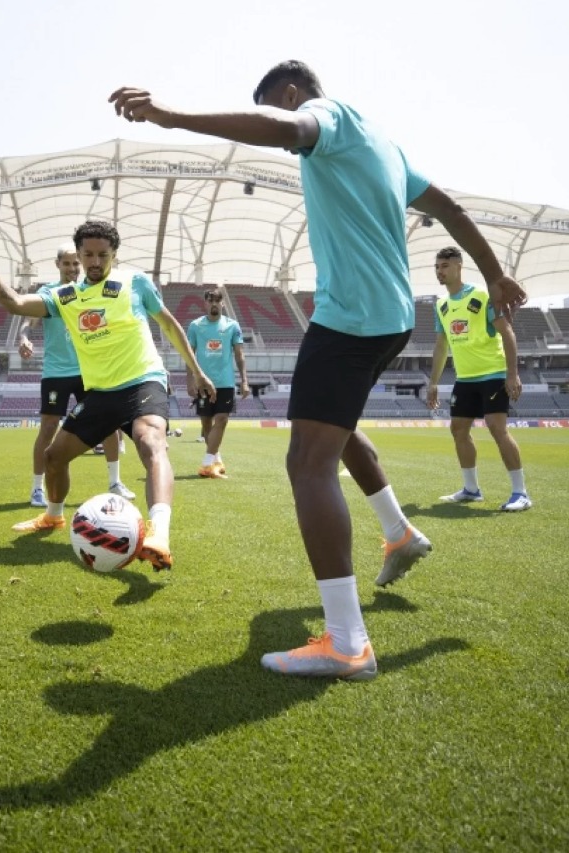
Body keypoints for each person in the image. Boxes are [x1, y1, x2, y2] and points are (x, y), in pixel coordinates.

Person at [109, 61, 526, 678]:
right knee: (335, 426)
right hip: (390, 316)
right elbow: (453, 209)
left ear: (293, 92)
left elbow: (282, 127)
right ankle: (398, 532)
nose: (287, 121)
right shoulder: (385, 143)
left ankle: (347, 643)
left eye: (280, 105)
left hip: (351, 318)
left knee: (307, 461)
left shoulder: (330, 117)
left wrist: (169, 115)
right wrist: (495, 274)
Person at [0, 219, 217, 572]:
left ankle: (159, 534)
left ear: (114, 254)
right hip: (100, 392)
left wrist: (197, 370)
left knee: (151, 444)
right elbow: (15, 303)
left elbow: (168, 323)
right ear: (80, 255)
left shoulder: (135, 282)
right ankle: (53, 516)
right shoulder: (65, 296)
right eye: (88, 255)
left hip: (142, 380)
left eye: (103, 254)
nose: (95, 261)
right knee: (55, 457)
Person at [18, 247, 135, 507]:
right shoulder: (48, 293)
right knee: (48, 428)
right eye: (67, 263)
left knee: (108, 423)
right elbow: (29, 320)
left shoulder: (90, 289)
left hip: (90, 371)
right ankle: (37, 489)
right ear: (57, 264)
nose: (72, 268)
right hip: (56, 372)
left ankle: (115, 482)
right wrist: (24, 337)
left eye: (75, 263)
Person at [427, 246, 531, 512]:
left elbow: (507, 333)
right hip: (465, 378)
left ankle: (520, 492)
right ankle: (471, 490)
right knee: (458, 429)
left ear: (459, 266)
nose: (440, 271)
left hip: (493, 373)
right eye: (437, 267)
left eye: (445, 266)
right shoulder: (441, 305)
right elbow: (441, 346)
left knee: (497, 428)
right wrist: (433, 382)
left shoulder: (481, 296)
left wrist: (512, 373)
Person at [186, 288, 249, 479]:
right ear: (205, 303)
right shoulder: (196, 326)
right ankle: (217, 460)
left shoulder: (232, 326)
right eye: (210, 300)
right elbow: (189, 355)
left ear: (222, 303)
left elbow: (239, 355)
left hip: (225, 383)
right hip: (204, 383)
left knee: (222, 419)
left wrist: (244, 381)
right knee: (206, 424)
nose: (214, 303)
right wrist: (191, 380)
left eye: (217, 300)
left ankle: (206, 465)